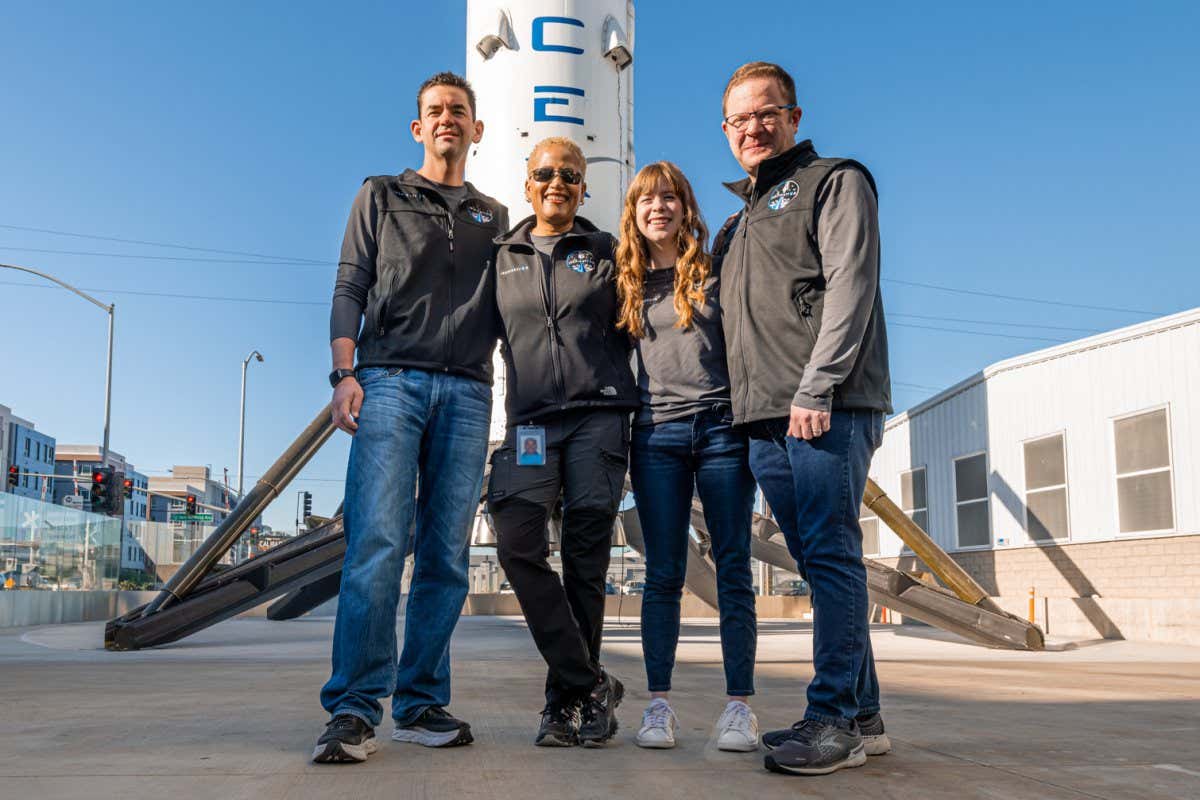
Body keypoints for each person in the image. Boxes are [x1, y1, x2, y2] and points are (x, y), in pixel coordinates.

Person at [313, 71, 509, 764]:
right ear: (418, 128)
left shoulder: (493, 216)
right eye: (435, 111)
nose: (447, 119)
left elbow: (509, 314)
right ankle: (355, 708)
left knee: (447, 559)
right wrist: (345, 374)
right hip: (389, 381)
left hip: (468, 394)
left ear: (477, 129)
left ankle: (422, 702)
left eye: (459, 110)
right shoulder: (381, 194)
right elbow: (349, 286)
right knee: (376, 546)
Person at [714, 61, 893, 776]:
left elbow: (852, 283)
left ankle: (832, 719)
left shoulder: (834, 180)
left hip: (824, 408)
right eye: (739, 119)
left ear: (792, 115)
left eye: (767, 112)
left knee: (832, 554)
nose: (753, 128)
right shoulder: (741, 218)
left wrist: (817, 388)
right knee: (823, 565)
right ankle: (866, 715)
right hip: (762, 418)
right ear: (726, 131)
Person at [487, 136, 639, 748]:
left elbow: (643, 324)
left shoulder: (606, 251)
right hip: (528, 423)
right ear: (527, 184)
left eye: (570, 176)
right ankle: (589, 682)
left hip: (597, 417)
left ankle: (562, 707)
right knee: (518, 544)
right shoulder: (500, 257)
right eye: (545, 173)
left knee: (584, 558)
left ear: (584, 187)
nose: (558, 183)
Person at [614, 162, 759, 751]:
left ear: (685, 207)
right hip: (656, 438)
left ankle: (739, 708)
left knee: (733, 569)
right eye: (648, 200)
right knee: (664, 574)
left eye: (670, 198)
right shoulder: (624, 284)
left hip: (722, 431)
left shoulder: (714, 272)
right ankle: (658, 706)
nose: (659, 208)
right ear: (634, 212)